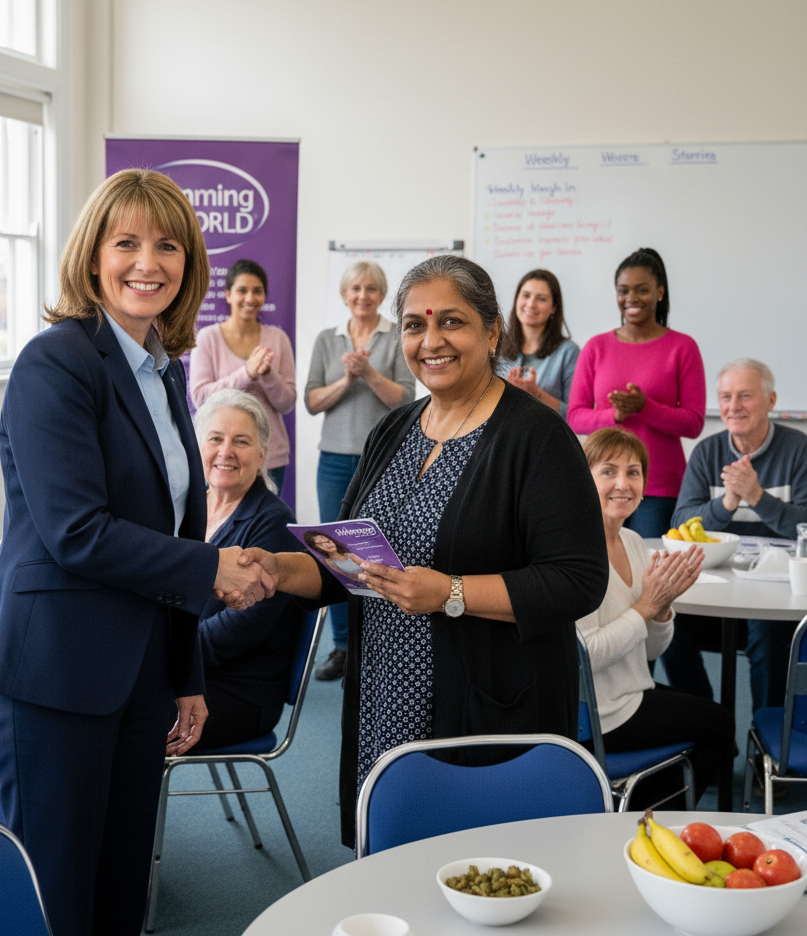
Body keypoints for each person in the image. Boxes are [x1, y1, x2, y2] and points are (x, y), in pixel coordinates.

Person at [0, 169, 275, 936]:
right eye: (126, 241)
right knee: (58, 901)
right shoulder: (56, 361)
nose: (148, 261)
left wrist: (185, 674)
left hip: (139, 679)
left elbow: (167, 529)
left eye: (168, 245)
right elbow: (77, 531)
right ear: (92, 255)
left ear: (189, 262)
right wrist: (213, 571)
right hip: (53, 674)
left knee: (122, 894)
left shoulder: (162, 373)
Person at [242, 254, 609, 848]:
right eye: (414, 325)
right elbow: (351, 565)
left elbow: (578, 580)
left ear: (493, 332)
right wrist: (277, 568)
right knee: (392, 861)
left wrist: (452, 593)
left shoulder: (536, 438)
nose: (430, 341)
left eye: (451, 323)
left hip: (487, 707)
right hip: (385, 696)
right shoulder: (394, 429)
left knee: (481, 871)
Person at [577, 427, 734, 809]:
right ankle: (645, 819)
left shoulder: (633, 542)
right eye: (608, 471)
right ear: (582, 479)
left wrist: (662, 609)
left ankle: (641, 814)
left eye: (633, 472)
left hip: (632, 692)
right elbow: (587, 655)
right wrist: (646, 607)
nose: (623, 484)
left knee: (711, 718)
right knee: (720, 725)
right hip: (599, 713)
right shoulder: (578, 552)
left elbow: (650, 650)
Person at [663, 359, 807, 711]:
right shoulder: (707, 452)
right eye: (725, 397)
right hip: (716, 589)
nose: (732, 406)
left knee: (768, 637)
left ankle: (766, 745)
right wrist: (726, 503)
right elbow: (681, 519)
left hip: (775, 595)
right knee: (667, 623)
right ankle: (705, 723)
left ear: (771, 401)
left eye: (745, 396)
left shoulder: (799, 450)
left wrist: (758, 498)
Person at [304, 260, 416, 681]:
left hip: (383, 461)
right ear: (344, 295)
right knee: (333, 555)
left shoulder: (394, 337)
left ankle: (381, 644)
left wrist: (368, 372)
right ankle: (342, 648)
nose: (363, 296)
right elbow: (312, 402)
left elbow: (405, 400)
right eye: (355, 288)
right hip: (333, 460)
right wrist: (346, 380)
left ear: (382, 294)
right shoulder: (326, 340)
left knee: (382, 553)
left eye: (371, 289)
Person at [193, 389, 306, 750]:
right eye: (215, 439)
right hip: (189, 673)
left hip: (238, 692)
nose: (225, 452)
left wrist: (154, 657)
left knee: (119, 712)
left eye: (240, 442)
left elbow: (234, 632)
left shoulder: (273, 525)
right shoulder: (189, 506)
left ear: (261, 456)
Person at [568, 248, 706, 538]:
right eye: (623, 290)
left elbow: (693, 423)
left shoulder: (683, 348)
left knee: (647, 570)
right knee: (600, 570)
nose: (631, 299)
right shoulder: (596, 347)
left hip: (658, 488)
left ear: (659, 292)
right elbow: (576, 416)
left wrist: (646, 407)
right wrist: (615, 415)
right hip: (601, 484)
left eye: (642, 290)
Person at [189, 259, 296, 494]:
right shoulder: (207, 338)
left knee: (265, 526)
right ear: (228, 294)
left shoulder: (278, 339)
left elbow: (287, 403)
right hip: (221, 456)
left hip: (269, 456)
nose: (250, 298)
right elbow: (200, 398)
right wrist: (247, 372)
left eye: (257, 291)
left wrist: (268, 375)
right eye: (242, 290)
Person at [499, 268, 580, 418]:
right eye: (526, 295)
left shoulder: (568, 352)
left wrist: (536, 393)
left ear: (553, 308)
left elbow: (574, 414)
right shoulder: (497, 347)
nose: (531, 304)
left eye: (541, 299)